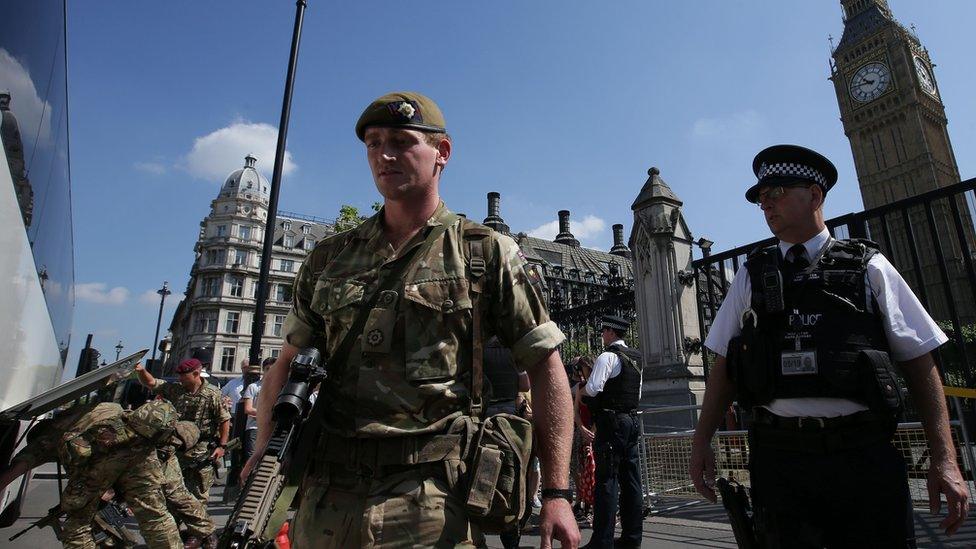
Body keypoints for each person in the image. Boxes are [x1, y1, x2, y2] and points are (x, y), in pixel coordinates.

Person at [244, 91, 580, 548]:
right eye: (373, 143)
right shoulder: (330, 257)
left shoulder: (481, 252)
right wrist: (264, 450)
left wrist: (557, 493)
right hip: (328, 499)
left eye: (402, 141)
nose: (384, 154)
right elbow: (284, 362)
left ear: (441, 152)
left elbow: (545, 365)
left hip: (434, 501)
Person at [689, 144, 970, 547]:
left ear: (815, 196)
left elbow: (919, 360)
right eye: (761, 199)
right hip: (779, 459)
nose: (766, 205)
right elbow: (724, 367)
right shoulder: (751, 275)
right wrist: (701, 442)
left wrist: (945, 458)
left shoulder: (868, 267)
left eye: (776, 193)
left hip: (861, 456)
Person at [0, 400, 188, 549]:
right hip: (140, 450)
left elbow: (16, 470)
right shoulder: (103, 409)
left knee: (77, 524)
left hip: (108, 461)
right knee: (154, 514)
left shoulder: (47, 440)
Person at [580, 315, 644, 549]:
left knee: (607, 480)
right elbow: (636, 395)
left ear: (610, 333)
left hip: (612, 422)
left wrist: (580, 391)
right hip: (631, 420)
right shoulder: (636, 358)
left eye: (603, 332)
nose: (602, 336)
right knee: (632, 481)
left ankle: (602, 541)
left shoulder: (608, 356)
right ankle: (632, 538)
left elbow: (594, 389)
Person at [135, 358, 231, 505]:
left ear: (196, 373)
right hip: (177, 448)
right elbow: (151, 383)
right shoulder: (175, 389)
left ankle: (196, 527)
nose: (180, 379)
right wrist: (141, 371)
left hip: (202, 450)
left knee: (199, 494)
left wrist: (222, 446)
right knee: (173, 492)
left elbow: (224, 419)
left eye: (183, 375)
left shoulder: (212, 394)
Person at [241, 358, 274, 460]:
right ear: (263, 370)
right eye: (268, 369)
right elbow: (248, 409)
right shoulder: (253, 387)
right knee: (252, 459)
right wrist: (266, 414)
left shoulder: (278, 388)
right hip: (254, 429)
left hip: (270, 429)